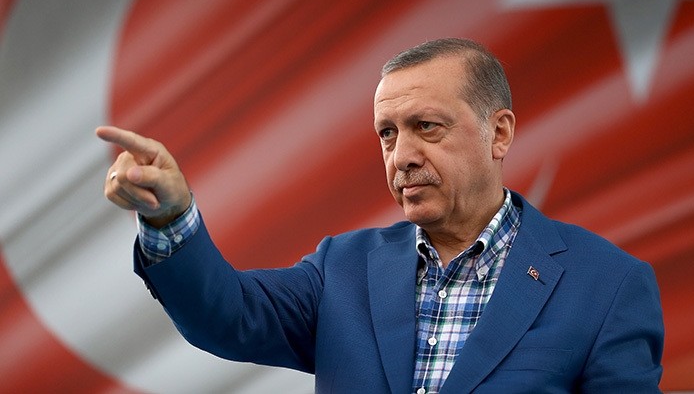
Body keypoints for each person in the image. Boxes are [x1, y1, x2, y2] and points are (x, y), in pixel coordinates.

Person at [98, 38, 664, 393]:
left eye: (428, 127)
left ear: (499, 133)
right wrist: (171, 218)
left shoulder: (607, 284)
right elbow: (226, 316)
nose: (403, 155)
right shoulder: (341, 268)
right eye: (387, 135)